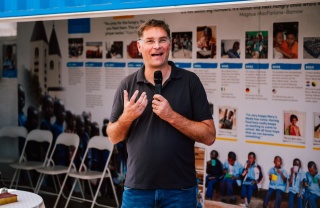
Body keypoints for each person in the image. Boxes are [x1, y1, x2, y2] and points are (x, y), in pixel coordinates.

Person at [107, 19, 216, 207]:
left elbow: (209, 136)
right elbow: (113, 137)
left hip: (180, 191)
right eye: (150, 41)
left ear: (170, 45)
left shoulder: (190, 82)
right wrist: (127, 118)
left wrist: (172, 116)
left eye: (162, 40)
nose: (157, 46)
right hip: (137, 190)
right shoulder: (127, 85)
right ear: (139, 47)